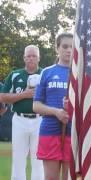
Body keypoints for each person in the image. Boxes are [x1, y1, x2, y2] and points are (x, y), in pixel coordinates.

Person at [33, 32, 73, 180]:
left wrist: (72, 107)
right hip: (50, 130)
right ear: (57, 48)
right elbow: (36, 105)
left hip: (72, 132)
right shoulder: (47, 72)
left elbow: (90, 106)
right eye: (65, 46)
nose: (69, 50)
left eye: (72, 46)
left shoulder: (80, 74)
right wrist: (56, 111)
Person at [0, 45, 44, 180]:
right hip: (19, 120)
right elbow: (2, 96)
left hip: (40, 120)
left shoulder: (45, 74)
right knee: (18, 158)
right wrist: (24, 95)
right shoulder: (15, 74)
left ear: (39, 58)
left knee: (39, 159)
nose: (31, 59)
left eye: (34, 56)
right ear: (24, 58)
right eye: (28, 56)